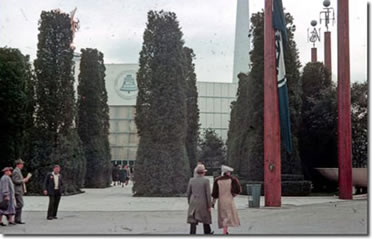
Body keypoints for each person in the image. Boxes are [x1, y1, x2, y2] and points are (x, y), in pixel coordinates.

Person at [212, 165, 242, 234]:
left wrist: (213, 202)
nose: (230, 173)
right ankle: (224, 232)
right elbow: (238, 190)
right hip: (229, 200)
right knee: (228, 216)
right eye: (229, 172)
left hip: (221, 201)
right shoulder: (232, 179)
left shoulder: (217, 180)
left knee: (223, 216)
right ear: (227, 172)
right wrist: (233, 195)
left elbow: (214, 193)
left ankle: (225, 231)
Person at [186, 164, 213, 235]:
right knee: (205, 218)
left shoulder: (191, 180)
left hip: (193, 202)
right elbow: (208, 194)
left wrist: (189, 201)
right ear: (203, 172)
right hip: (203, 203)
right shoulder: (206, 181)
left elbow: (188, 192)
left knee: (193, 219)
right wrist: (209, 205)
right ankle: (207, 232)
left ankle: (192, 233)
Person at [12, 159, 29, 224]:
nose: (22, 165)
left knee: (20, 204)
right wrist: (23, 181)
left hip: (19, 190)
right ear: (18, 164)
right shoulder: (16, 171)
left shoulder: (18, 171)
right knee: (20, 204)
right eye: (22, 164)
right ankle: (13, 217)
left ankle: (17, 219)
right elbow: (15, 181)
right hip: (17, 190)